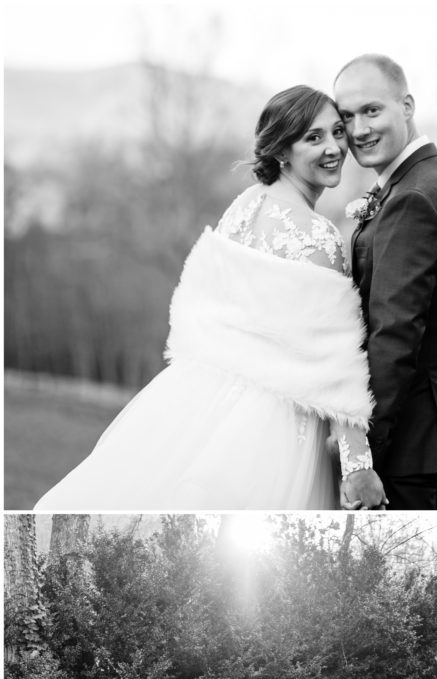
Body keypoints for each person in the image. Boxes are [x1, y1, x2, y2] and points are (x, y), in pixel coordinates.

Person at [35, 85, 386, 512]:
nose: (333, 148)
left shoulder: (245, 205)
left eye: (336, 132)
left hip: (201, 394)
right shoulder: (320, 237)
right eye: (313, 138)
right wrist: (357, 466)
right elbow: (332, 362)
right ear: (282, 150)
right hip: (272, 423)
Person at [334, 54, 437, 511]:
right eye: (347, 117)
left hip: (411, 448)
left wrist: (364, 456)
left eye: (371, 110)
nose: (359, 129)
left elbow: (395, 336)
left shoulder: (414, 199)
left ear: (406, 106)